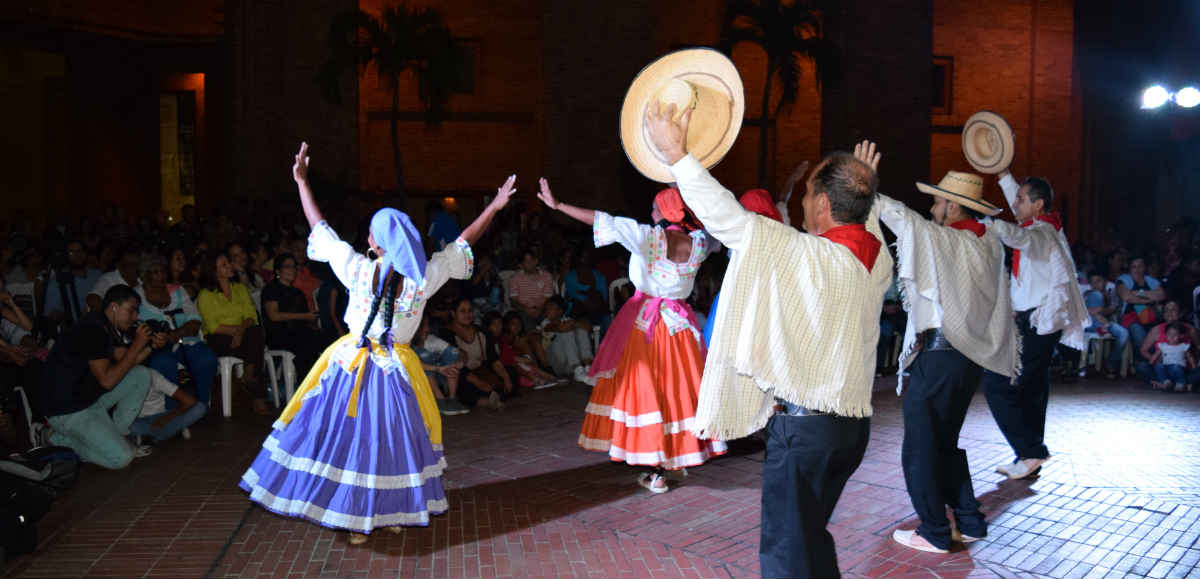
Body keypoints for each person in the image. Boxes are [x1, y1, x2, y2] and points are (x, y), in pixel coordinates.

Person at [644, 102, 892, 577]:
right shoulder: (876, 262)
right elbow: (867, 226)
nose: (801, 204)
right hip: (851, 431)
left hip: (807, 433)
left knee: (786, 552)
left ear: (823, 205)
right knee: (808, 537)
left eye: (807, 194)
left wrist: (678, 155)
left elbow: (728, 218)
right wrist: (866, 189)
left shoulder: (806, 254)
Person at [239, 143, 513, 545]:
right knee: (390, 441)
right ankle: (387, 511)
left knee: (352, 441)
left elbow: (319, 228)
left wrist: (302, 183)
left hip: (351, 363)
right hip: (395, 369)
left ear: (378, 242)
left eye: (371, 230)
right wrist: (493, 209)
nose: (367, 234)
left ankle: (359, 517)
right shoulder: (423, 277)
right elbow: (464, 242)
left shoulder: (357, 268)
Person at [866, 152, 1019, 553]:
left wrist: (868, 186)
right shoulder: (988, 244)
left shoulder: (950, 240)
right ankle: (969, 521)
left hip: (940, 357)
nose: (932, 210)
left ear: (953, 206)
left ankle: (934, 531)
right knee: (944, 443)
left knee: (920, 446)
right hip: (966, 361)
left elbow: (905, 220)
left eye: (937, 202)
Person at [537, 176, 725, 494]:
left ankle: (656, 472)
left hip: (649, 329)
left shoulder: (648, 237)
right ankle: (674, 458)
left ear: (663, 213)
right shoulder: (699, 244)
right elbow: (719, 228)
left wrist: (558, 206)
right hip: (681, 330)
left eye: (654, 208)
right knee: (676, 394)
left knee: (649, 395)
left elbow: (601, 220)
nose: (650, 213)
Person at [982, 169, 1089, 480]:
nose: (1014, 203)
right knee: (1032, 389)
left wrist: (987, 224)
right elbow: (1020, 219)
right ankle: (1028, 457)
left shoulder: (1042, 234)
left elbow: (1019, 237)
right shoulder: (1043, 226)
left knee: (998, 384)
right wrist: (1004, 175)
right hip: (1036, 322)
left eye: (1020, 199)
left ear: (1038, 205)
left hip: (1039, 322)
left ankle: (1031, 452)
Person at [41, 285, 158, 468]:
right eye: (132, 310)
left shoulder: (106, 325)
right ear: (114, 307)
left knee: (140, 375)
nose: (136, 317)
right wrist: (137, 344)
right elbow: (108, 381)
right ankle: (57, 440)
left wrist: (151, 346)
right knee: (121, 458)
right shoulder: (93, 329)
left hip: (88, 397)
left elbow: (126, 361)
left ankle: (118, 434)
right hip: (67, 410)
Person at [137, 254, 218, 408]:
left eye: (163, 271)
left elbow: (195, 321)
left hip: (185, 340)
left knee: (206, 358)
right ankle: (172, 411)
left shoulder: (178, 291)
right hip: (155, 347)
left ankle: (202, 405)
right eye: (155, 272)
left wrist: (174, 335)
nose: (161, 275)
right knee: (163, 363)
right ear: (144, 275)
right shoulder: (136, 296)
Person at [196, 252, 270, 415]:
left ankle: (249, 375)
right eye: (224, 265)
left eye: (228, 262)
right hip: (219, 338)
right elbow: (213, 327)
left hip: (244, 335)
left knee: (255, 333)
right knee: (255, 344)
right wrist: (238, 332)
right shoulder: (205, 295)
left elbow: (251, 316)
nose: (230, 266)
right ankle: (255, 392)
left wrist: (240, 331)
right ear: (214, 271)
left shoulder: (239, 288)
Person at [260, 253, 323, 376]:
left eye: (294, 267)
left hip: (298, 331)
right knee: (306, 341)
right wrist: (304, 316)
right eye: (288, 267)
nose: (292, 270)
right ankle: (305, 380)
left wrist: (313, 319)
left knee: (322, 338)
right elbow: (274, 316)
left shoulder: (297, 292)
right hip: (279, 334)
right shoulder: (271, 289)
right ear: (278, 271)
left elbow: (305, 318)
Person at [412, 316, 468, 416]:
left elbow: (459, 352)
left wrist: (460, 362)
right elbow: (415, 364)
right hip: (415, 382)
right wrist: (438, 368)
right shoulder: (405, 344)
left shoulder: (431, 339)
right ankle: (440, 400)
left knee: (453, 353)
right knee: (424, 360)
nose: (427, 329)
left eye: (427, 325)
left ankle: (452, 399)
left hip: (437, 375)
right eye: (423, 326)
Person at [131, 368, 205, 444]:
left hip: (160, 416)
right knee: (130, 426)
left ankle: (148, 436)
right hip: (135, 420)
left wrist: (165, 418)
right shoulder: (124, 376)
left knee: (200, 408)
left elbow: (189, 401)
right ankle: (164, 433)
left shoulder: (153, 376)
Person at [536, 296, 594, 379]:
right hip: (558, 364)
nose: (547, 310)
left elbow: (588, 327)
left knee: (581, 330)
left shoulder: (567, 320)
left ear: (560, 311)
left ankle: (588, 367)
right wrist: (574, 324)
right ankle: (577, 368)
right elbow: (561, 328)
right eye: (546, 308)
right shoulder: (545, 324)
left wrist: (574, 324)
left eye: (550, 308)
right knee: (566, 332)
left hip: (573, 363)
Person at [45, 239, 101, 325]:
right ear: (66, 256)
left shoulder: (98, 275)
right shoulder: (58, 281)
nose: (77, 255)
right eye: (71, 252)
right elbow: (51, 314)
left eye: (80, 251)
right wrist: (64, 315)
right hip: (75, 327)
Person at [507, 250, 555, 331]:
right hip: (523, 311)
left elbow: (549, 299)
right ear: (521, 264)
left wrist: (540, 309)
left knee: (550, 328)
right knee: (531, 330)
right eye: (526, 261)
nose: (529, 263)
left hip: (543, 310)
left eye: (531, 260)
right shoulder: (515, 278)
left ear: (536, 261)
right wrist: (526, 309)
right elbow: (513, 301)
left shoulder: (546, 276)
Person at [1149, 321, 1195, 392]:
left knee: (1175, 367)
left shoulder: (1183, 346)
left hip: (1179, 368)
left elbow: (1190, 357)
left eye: (1175, 334)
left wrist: (1194, 367)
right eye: (1169, 334)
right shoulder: (1163, 346)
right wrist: (1151, 363)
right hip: (1166, 369)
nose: (1171, 337)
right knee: (1158, 366)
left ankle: (1180, 383)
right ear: (1165, 335)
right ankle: (1166, 382)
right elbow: (1155, 356)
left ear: (1181, 336)